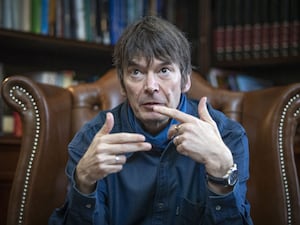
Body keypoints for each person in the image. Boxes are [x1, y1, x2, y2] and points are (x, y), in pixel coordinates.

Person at [49, 15, 253, 225]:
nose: (151, 86)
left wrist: (221, 172)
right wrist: (83, 182)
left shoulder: (227, 136)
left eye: (164, 70)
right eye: (136, 72)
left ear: (185, 80)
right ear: (122, 84)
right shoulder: (92, 140)